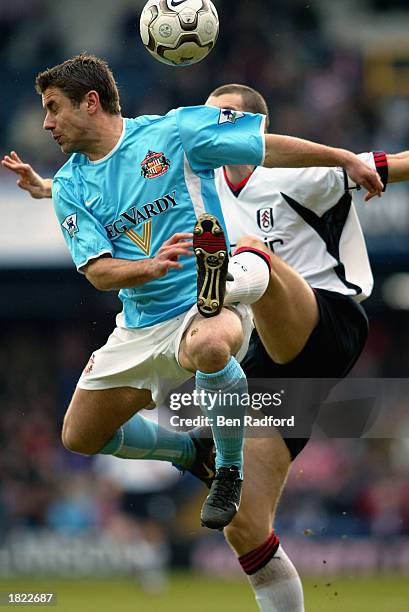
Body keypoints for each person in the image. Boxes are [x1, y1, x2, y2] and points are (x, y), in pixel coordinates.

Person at [6, 80, 409, 611]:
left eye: (222, 117)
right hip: (269, 359)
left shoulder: (299, 172)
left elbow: (387, 164)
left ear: (251, 128)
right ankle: (206, 447)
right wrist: (50, 187)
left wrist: (359, 164)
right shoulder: (203, 182)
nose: (209, 124)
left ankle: (223, 286)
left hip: (325, 321)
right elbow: (122, 181)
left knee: (247, 252)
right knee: (244, 527)